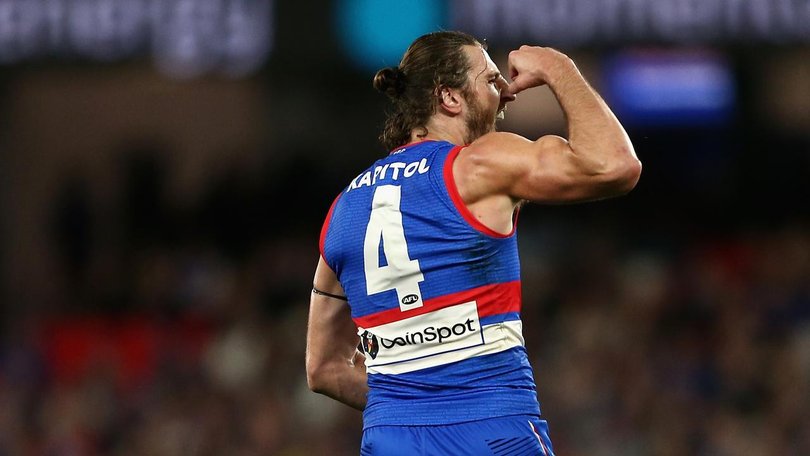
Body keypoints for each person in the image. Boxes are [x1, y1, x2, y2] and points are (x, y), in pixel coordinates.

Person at [306, 31, 641, 455]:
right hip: (493, 431)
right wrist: (559, 67)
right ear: (449, 97)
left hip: (390, 439)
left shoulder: (343, 208)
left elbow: (323, 368)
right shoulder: (479, 165)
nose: (505, 95)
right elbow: (614, 166)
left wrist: (414, 405)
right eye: (492, 80)